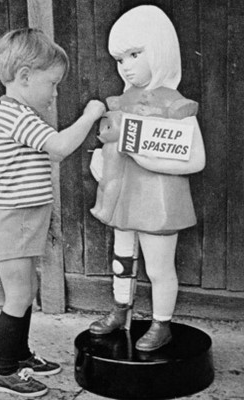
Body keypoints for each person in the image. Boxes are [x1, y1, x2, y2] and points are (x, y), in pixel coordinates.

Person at [0, 28, 105, 397]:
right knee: (18, 296)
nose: (54, 93)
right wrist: (90, 114)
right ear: (24, 77)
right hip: (13, 221)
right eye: (52, 84)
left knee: (27, 289)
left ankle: (21, 357)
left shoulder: (19, 113)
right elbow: (60, 147)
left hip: (22, 220)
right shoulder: (19, 116)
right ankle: (5, 372)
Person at [89, 6, 206, 352]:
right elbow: (111, 144)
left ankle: (161, 323)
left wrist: (145, 157)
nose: (126, 66)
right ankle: (120, 308)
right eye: (121, 58)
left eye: (134, 54)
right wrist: (100, 161)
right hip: (123, 195)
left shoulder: (177, 106)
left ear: (159, 51)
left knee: (158, 266)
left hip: (159, 200)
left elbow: (195, 158)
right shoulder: (122, 102)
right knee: (121, 258)